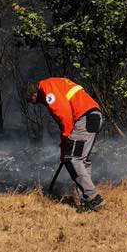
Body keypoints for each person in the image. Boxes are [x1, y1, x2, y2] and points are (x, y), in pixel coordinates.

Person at [28, 78, 104, 211]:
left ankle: (93, 198)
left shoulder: (48, 91)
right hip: (93, 116)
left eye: (33, 101)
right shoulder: (52, 85)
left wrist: (66, 142)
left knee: (73, 159)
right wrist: (64, 147)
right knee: (81, 160)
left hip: (84, 118)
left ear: (34, 94)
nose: (35, 104)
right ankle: (88, 201)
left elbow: (65, 117)